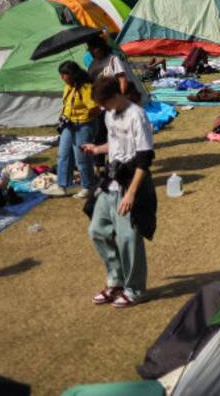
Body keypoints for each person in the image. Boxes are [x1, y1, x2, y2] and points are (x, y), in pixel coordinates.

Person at [81, 75, 156, 308]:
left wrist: (131, 193)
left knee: (128, 239)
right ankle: (116, 279)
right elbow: (115, 144)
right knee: (97, 230)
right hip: (110, 182)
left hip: (130, 183)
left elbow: (145, 159)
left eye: (104, 103)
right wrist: (97, 149)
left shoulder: (137, 116)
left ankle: (135, 289)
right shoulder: (109, 114)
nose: (102, 108)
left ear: (115, 96)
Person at [52, 61, 98, 198]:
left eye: (64, 75)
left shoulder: (86, 88)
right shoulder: (68, 87)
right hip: (68, 125)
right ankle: (62, 186)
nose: (62, 78)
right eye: (61, 75)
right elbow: (67, 105)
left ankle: (88, 186)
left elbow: (95, 108)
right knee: (63, 154)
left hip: (83, 126)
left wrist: (84, 118)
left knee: (82, 158)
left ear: (72, 74)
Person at [87, 36, 134, 102]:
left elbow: (122, 80)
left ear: (101, 48)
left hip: (118, 97)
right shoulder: (92, 66)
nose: (92, 53)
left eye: (94, 50)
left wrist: (121, 98)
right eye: (90, 50)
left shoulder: (113, 59)